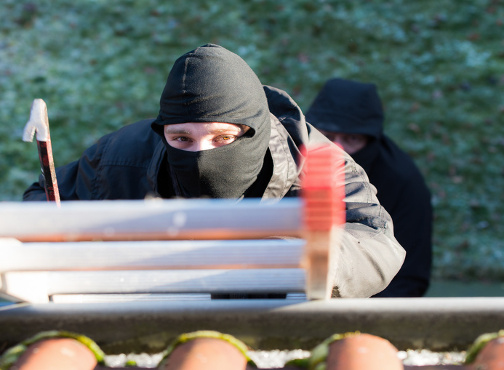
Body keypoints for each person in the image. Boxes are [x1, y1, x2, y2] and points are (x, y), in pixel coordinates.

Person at [23, 44, 405, 298]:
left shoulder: (316, 161)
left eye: (222, 139)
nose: (201, 155)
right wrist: (68, 239)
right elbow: (41, 201)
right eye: (182, 139)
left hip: (276, 313)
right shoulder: (120, 155)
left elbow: (377, 242)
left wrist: (295, 259)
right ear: (163, 130)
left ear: (254, 130)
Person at [305, 78, 433, 297]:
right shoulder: (292, 161)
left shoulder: (403, 182)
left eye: (351, 138)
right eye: (326, 137)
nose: (338, 150)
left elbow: (409, 277)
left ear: (371, 139)